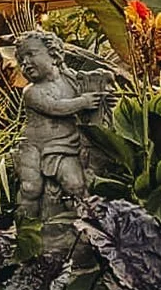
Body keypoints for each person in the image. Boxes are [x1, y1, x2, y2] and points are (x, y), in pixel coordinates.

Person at [14, 31, 102, 220]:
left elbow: (93, 90)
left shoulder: (71, 80)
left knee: (75, 184)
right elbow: (55, 107)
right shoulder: (31, 92)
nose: (25, 63)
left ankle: (85, 227)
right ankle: (26, 228)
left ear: (53, 54)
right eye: (21, 60)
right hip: (34, 147)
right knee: (31, 188)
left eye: (31, 54)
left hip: (65, 146)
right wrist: (83, 102)